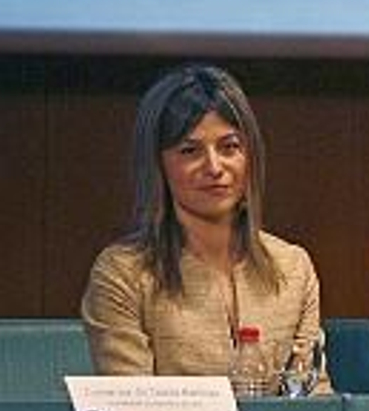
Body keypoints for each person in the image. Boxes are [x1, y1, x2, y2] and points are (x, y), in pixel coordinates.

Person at [80, 64, 328, 388]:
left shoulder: (293, 268)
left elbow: (314, 402)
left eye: (229, 147)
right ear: (157, 165)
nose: (214, 167)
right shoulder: (123, 273)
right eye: (190, 151)